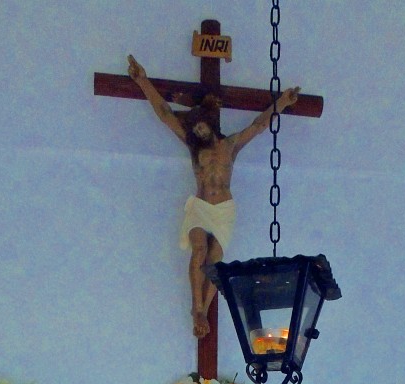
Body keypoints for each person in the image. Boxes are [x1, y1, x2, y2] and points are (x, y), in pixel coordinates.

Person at [127, 55, 300, 338]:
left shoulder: (230, 145)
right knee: (199, 249)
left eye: (201, 125)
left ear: (209, 122)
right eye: (194, 127)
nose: (198, 129)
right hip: (200, 206)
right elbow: (165, 114)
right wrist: (142, 81)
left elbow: (258, 125)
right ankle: (196, 307)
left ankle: (204, 311)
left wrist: (281, 103)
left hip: (223, 210)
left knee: (216, 259)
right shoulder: (194, 148)